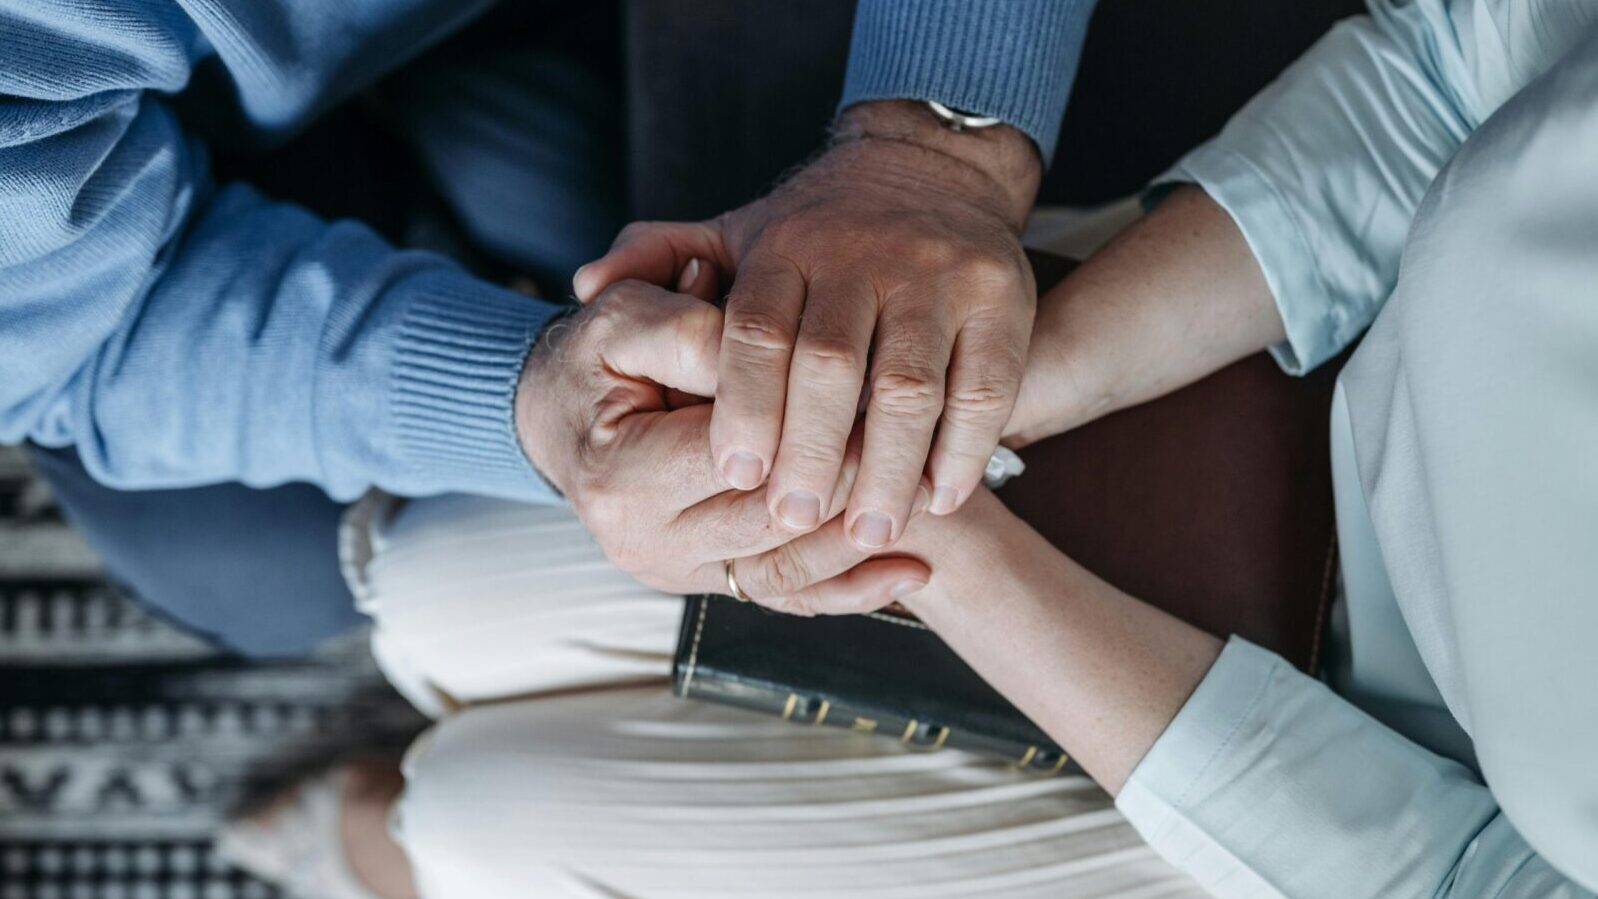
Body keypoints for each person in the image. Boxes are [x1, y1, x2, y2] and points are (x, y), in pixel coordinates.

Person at [227, 0, 1598, 896]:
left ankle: (387, 851)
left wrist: (941, 543)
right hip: (1258, 340)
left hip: (1332, 802)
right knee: (437, 581)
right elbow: (1452, 72)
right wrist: (1007, 383)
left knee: (485, 816)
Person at [0, 0, 1096, 654]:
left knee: (658, 236)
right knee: (248, 562)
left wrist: (938, 139)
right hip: (146, 163)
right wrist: (528, 404)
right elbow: (79, 341)